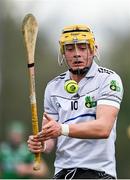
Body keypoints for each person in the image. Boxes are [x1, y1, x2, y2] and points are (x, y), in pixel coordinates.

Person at [27, 24, 124, 179]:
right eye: (70, 49)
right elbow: (51, 135)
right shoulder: (53, 87)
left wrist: (61, 129)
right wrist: (42, 144)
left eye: (82, 48)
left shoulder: (108, 79)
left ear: (93, 50)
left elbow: (103, 128)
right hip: (62, 173)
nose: (77, 54)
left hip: (98, 173)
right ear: (63, 53)